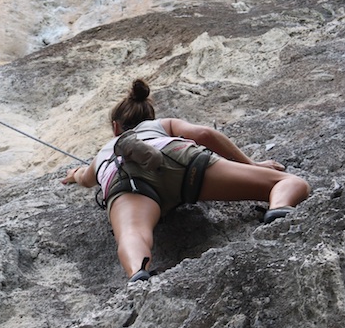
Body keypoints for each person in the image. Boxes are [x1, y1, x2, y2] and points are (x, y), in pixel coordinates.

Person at [62, 79, 311, 283]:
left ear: (116, 128)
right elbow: (204, 134)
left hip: (124, 179)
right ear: (148, 116)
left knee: (132, 232)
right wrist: (251, 164)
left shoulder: (103, 154)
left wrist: (74, 175)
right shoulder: (161, 124)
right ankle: (279, 209)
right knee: (287, 181)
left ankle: (138, 272)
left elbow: (85, 178)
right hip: (178, 161)